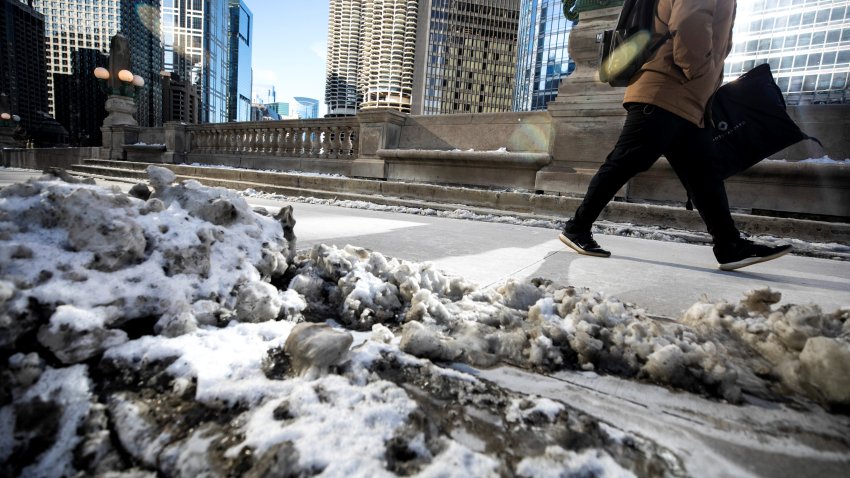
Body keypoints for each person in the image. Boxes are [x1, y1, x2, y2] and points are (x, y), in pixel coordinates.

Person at [558, 0, 792, 271]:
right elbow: (689, 22)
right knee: (626, 161)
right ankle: (577, 227)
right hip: (667, 91)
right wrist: (699, 70)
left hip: (688, 99)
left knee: (705, 176)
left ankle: (729, 245)